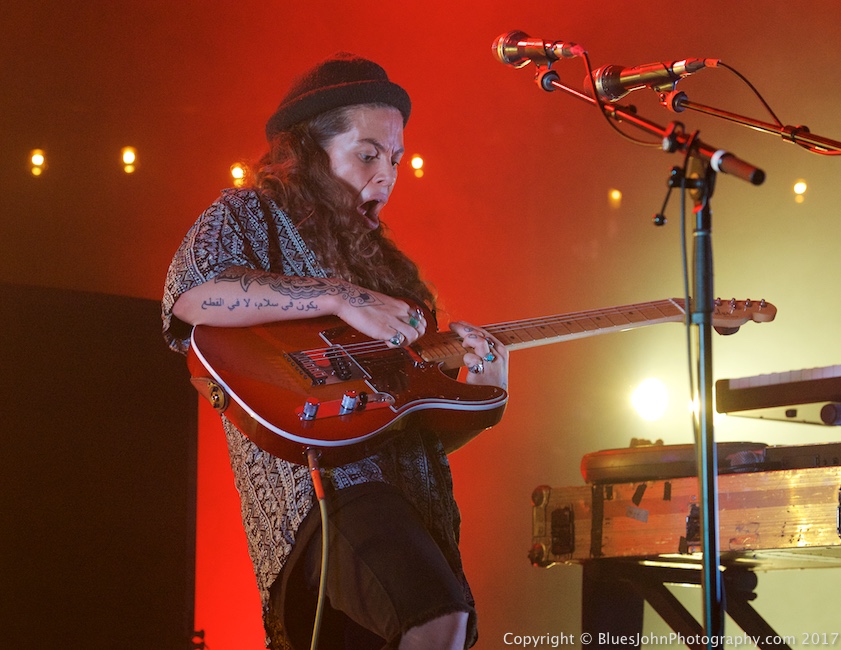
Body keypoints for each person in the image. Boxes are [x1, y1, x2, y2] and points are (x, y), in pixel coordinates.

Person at [162, 52, 508, 650]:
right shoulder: (250, 213)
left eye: (395, 158)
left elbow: (407, 426)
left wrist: (481, 395)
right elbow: (192, 292)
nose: (388, 175)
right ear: (307, 153)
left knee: (436, 625)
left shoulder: (391, 274)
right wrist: (339, 295)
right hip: (324, 498)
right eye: (368, 154)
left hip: (411, 506)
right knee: (437, 620)